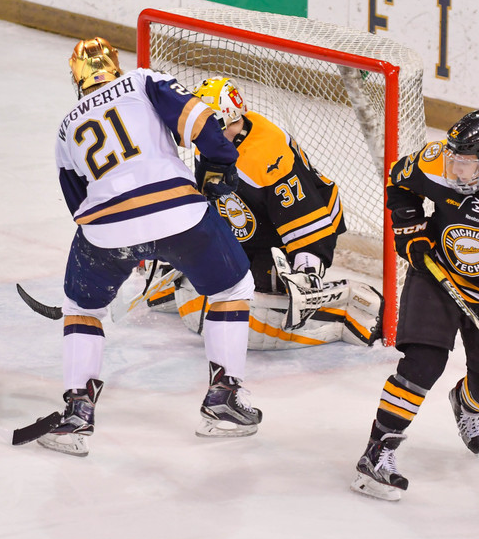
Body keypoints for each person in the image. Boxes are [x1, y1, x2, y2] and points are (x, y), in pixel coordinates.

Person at [33, 38, 261, 457]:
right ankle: (223, 401)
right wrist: (219, 164)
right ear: (114, 66)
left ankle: (77, 413)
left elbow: (76, 201)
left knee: (81, 307)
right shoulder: (142, 80)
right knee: (232, 288)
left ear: (77, 78)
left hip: (104, 231)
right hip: (179, 214)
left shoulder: (66, 126)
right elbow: (202, 123)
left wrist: (120, 237)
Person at [351, 109, 479, 501]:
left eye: (465, 165)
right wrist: (410, 231)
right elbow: (399, 181)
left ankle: (465, 404)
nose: (454, 171)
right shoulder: (436, 162)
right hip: (437, 274)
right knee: (422, 364)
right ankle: (376, 455)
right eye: (453, 160)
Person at [144, 76, 382, 349]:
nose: (201, 136)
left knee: (259, 291)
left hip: (305, 225)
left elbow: (307, 218)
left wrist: (306, 273)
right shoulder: (211, 142)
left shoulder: (267, 155)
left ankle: (340, 315)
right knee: (218, 275)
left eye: (207, 128)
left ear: (230, 121)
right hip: (252, 224)